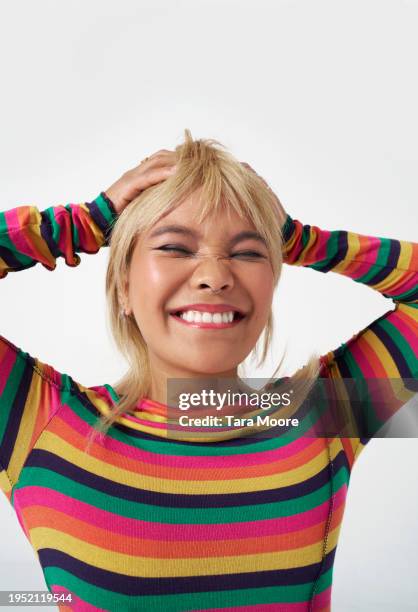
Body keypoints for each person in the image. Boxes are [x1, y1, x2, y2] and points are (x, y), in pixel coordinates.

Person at [0, 129, 416, 611]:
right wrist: (79, 224)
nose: (216, 276)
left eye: (248, 252)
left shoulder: (322, 415)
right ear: (123, 287)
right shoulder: (39, 424)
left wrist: (304, 241)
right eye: (175, 248)